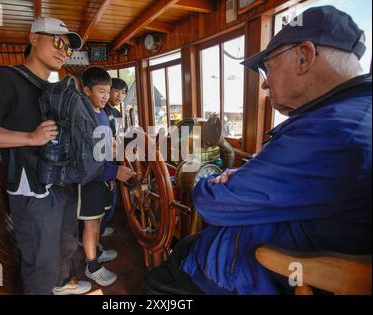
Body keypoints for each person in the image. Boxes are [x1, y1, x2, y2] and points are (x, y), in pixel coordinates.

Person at [144, 6, 372, 294]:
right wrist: (242, 175)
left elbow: (213, 204)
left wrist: (206, 183)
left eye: (268, 67)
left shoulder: (330, 130)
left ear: (304, 57)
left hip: (244, 277)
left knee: (154, 285)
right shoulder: (348, 117)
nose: (264, 83)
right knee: (187, 247)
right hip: (251, 260)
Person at [0, 17, 92, 295]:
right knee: (42, 261)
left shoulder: (52, 89)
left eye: (66, 48)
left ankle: (61, 286)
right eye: (56, 41)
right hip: (33, 192)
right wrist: (29, 138)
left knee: (66, 245)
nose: (62, 50)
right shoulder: (4, 78)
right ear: (32, 39)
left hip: (62, 183)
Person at [79, 67, 136, 286]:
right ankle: (91, 265)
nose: (106, 96)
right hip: (89, 181)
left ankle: (95, 251)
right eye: (101, 91)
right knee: (91, 224)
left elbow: (104, 145)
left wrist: (110, 172)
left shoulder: (102, 113)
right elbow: (87, 158)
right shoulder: (83, 118)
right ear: (86, 90)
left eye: (107, 91)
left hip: (102, 176)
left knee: (99, 219)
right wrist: (113, 172)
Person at [100, 78, 129, 238]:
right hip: (104, 164)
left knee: (110, 200)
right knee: (107, 203)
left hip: (114, 161)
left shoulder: (117, 113)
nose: (120, 96)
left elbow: (119, 137)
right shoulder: (101, 111)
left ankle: (100, 230)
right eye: (116, 91)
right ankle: (93, 237)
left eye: (123, 93)